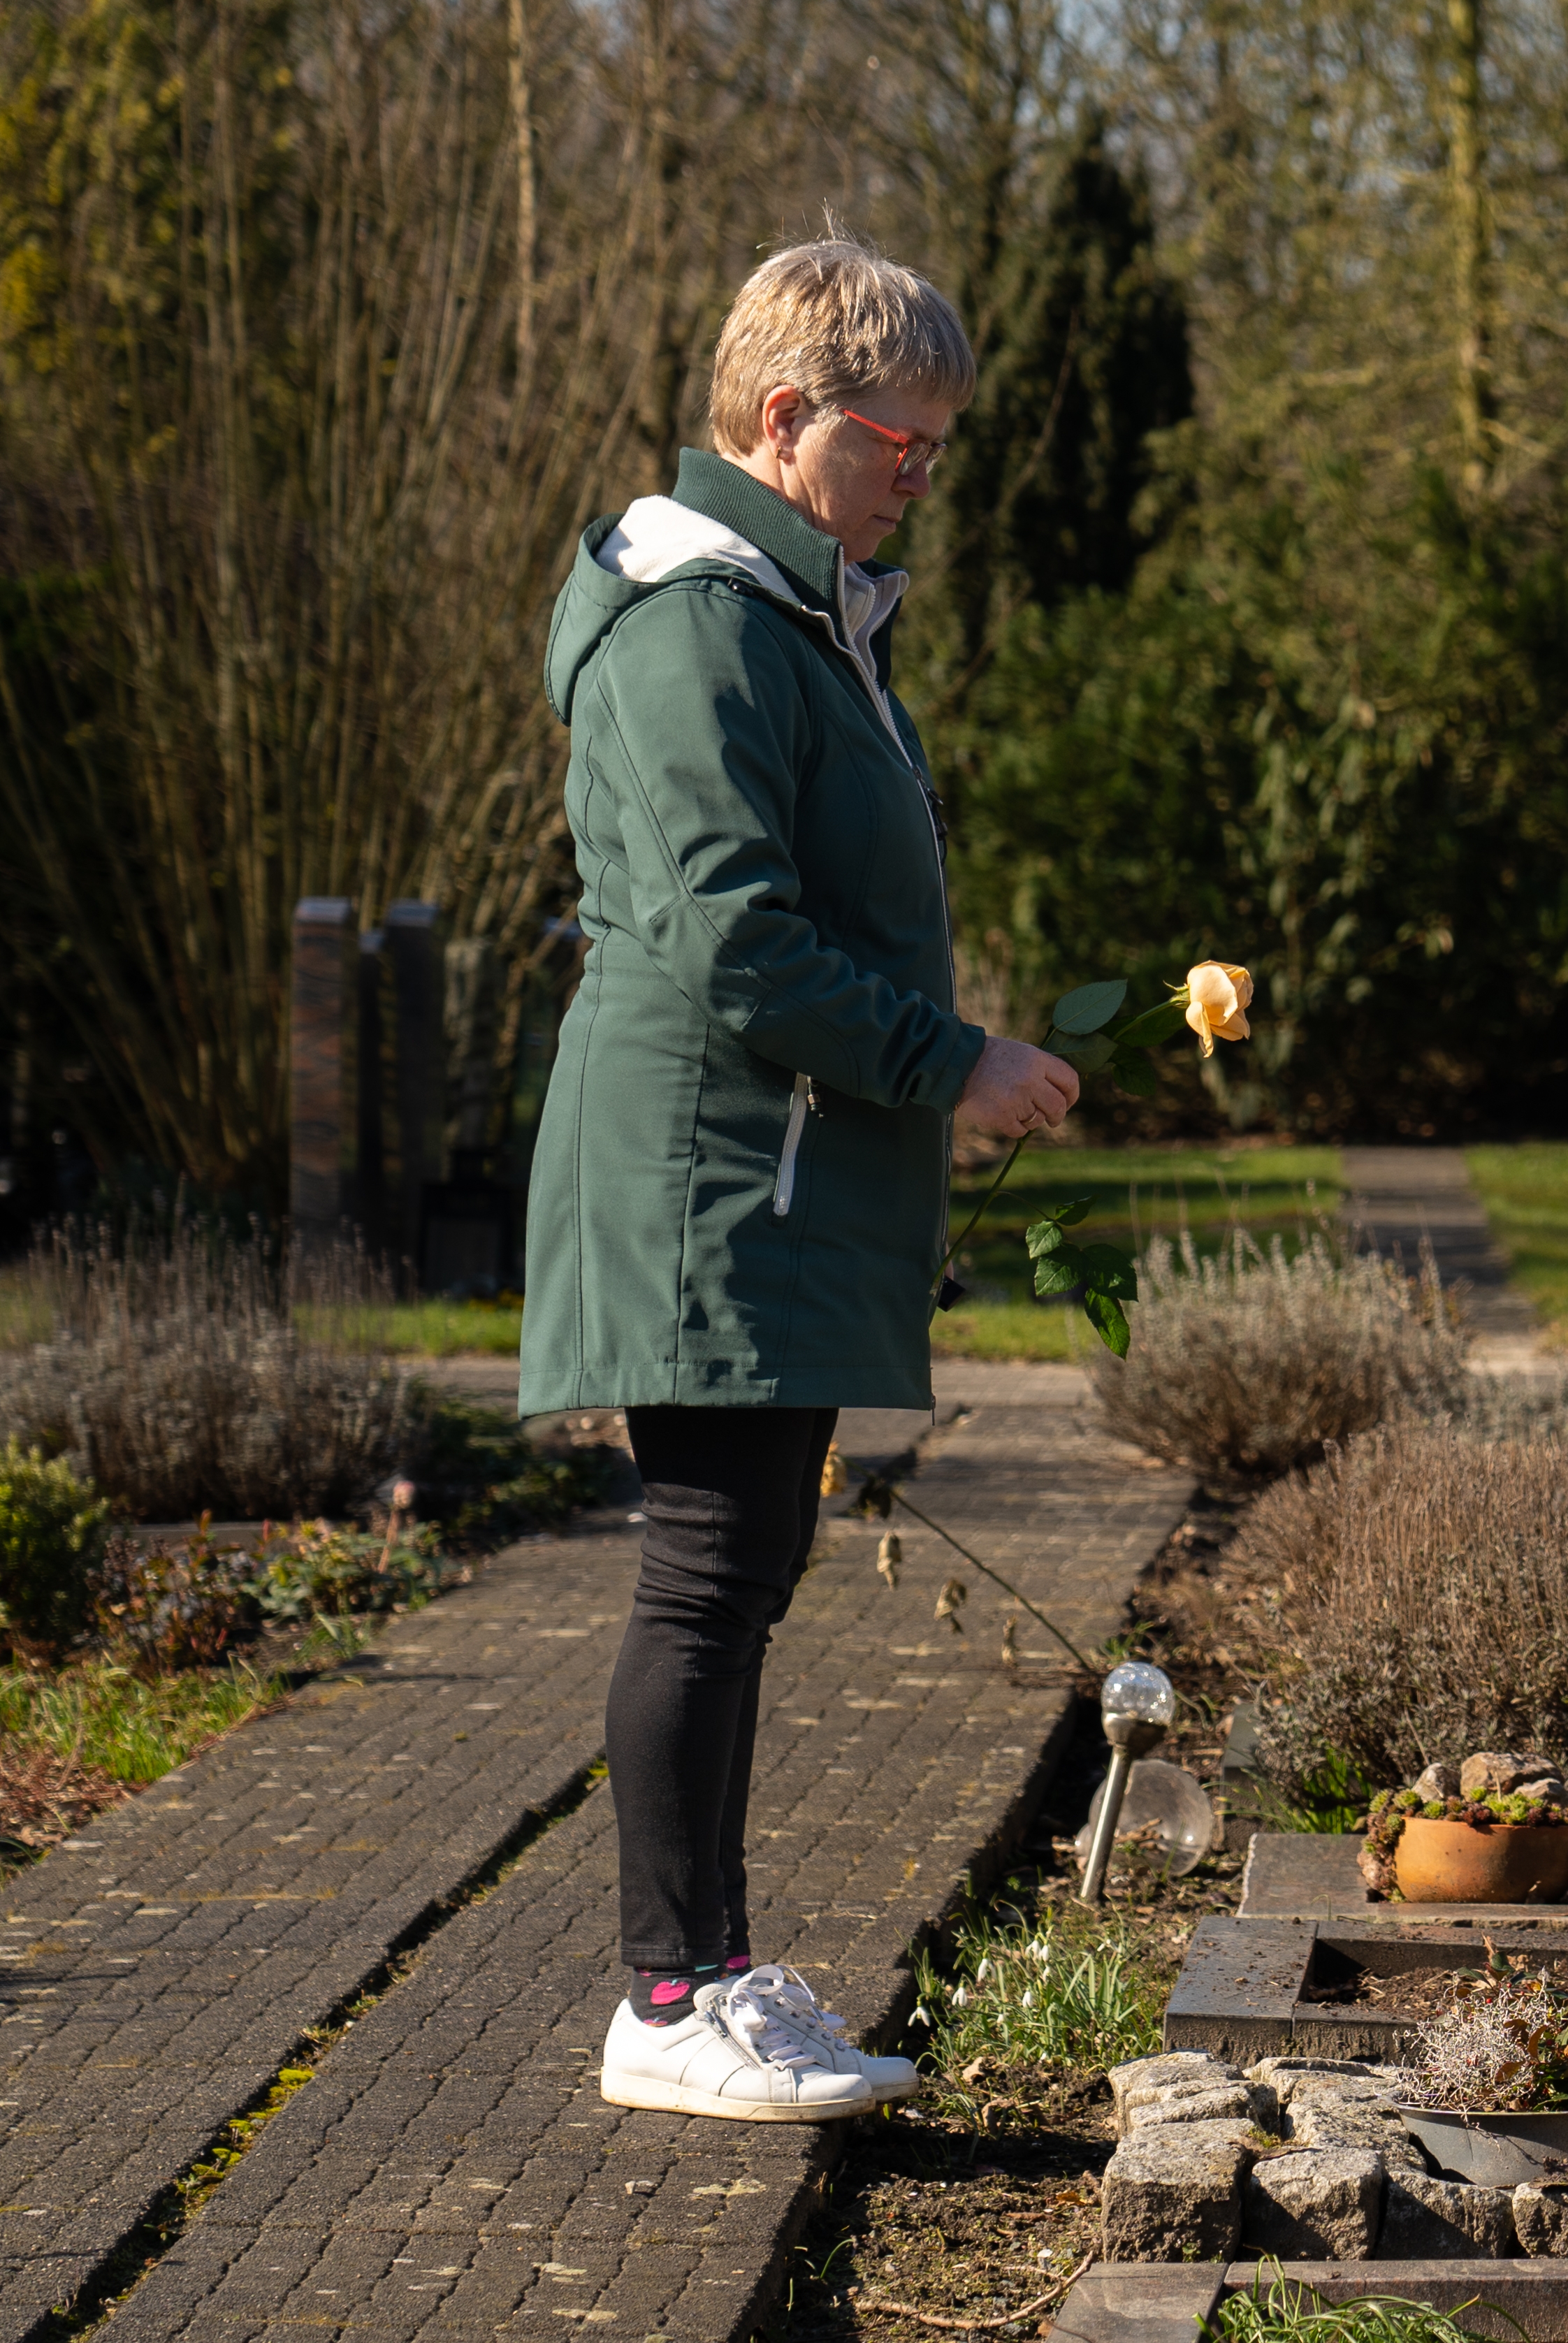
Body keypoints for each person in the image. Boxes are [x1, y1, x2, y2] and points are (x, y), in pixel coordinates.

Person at [521, 237, 1082, 2122]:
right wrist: (954, 1063)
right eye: (902, 442)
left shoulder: (781, 611)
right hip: (703, 1171)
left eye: (936, 444)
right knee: (703, 1578)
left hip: (761, 1168)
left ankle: (711, 1963)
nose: (924, 472)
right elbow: (730, 940)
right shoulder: (694, 628)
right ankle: (666, 1995)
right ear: (786, 420)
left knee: (741, 1573)